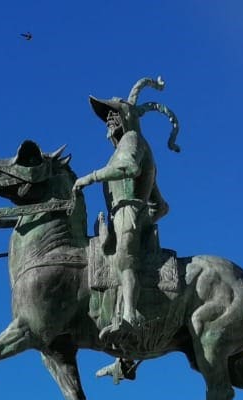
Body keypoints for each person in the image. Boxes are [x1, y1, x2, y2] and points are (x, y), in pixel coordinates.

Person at [72, 77, 179, 342]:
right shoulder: (124, 148)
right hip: (126, 215)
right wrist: (145, 219)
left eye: (113, 114)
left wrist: (90, 177)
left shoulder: (132, 141)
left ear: (127, 117)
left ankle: (130, 315)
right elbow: (162, 206)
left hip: (127, 211)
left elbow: (129, 168)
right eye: (106, 116)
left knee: (124, 260)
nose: (108, 120)